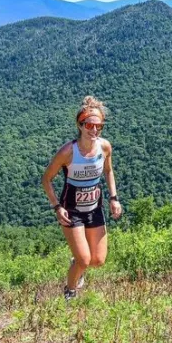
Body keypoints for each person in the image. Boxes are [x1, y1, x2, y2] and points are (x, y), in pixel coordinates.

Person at [42, 96, 122, 300]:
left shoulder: (104, 147)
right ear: (80, 125)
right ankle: (70, 292)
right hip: (72, 211)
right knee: (84, 261)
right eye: (89, 125)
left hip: (94, 209)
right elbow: (46, 179)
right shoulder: (68, 152)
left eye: (99, 126)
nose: (94, 130)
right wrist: (56, 206)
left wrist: (114, 198)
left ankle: (76, 263)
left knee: (98, 260)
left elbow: (109, 171)